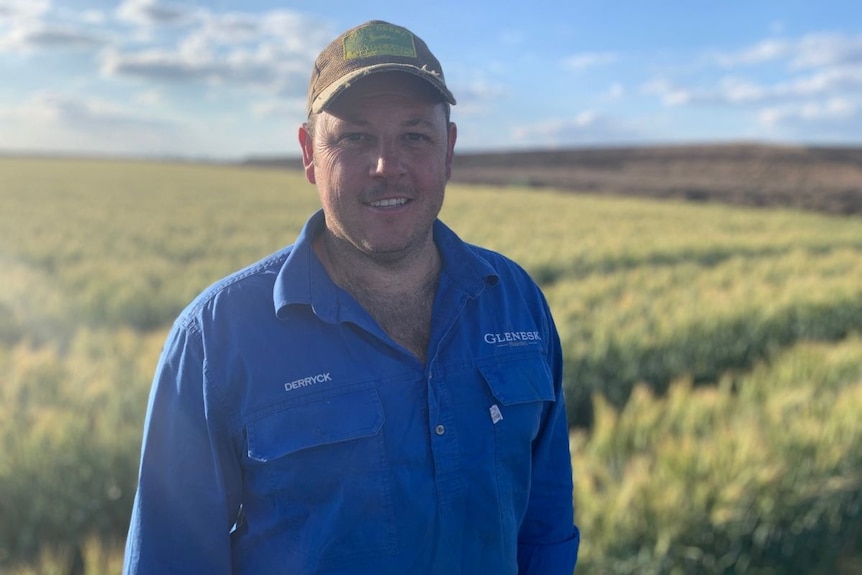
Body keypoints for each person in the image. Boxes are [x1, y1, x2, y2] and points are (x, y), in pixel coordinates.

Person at [123, 19, 579, 575]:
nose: (388, 166)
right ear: (309, 153)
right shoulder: (217, 340)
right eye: (355, 138)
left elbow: (547, 529)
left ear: (450, 149)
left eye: (415, 135)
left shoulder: (518, 304)